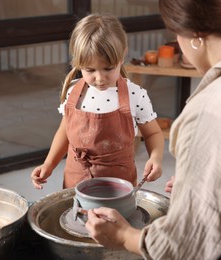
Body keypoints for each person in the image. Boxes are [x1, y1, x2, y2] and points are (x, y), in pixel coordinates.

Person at [85, 0, 221, 259]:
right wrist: (198, 185)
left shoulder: (211, 111)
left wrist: (124, 237)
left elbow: (185, 247)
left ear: (194, 36)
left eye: (175, 33)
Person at [30, 13, 164, 189]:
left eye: (108, 68)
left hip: (118, 186)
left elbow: (153, 133)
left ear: (122, 56)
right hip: (75, 181)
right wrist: (49, 164)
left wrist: (155, 158)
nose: (100, 78)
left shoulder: (135, 95)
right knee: (77, 216)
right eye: (90, 69)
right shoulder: (74, 92)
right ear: (78, 63)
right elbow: (64, 132)